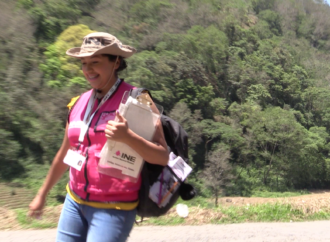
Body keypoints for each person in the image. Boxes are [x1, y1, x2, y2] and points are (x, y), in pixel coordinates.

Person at [28, 32, 168, 242]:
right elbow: (65, 151)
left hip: (114, 208)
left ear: (116, 62)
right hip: (74, 202)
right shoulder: (78, 103)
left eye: (95, 62)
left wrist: (127, 136)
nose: (88, 69)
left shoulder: (139, 100)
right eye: (84, 63)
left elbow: (162, 156)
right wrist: (42, 194)